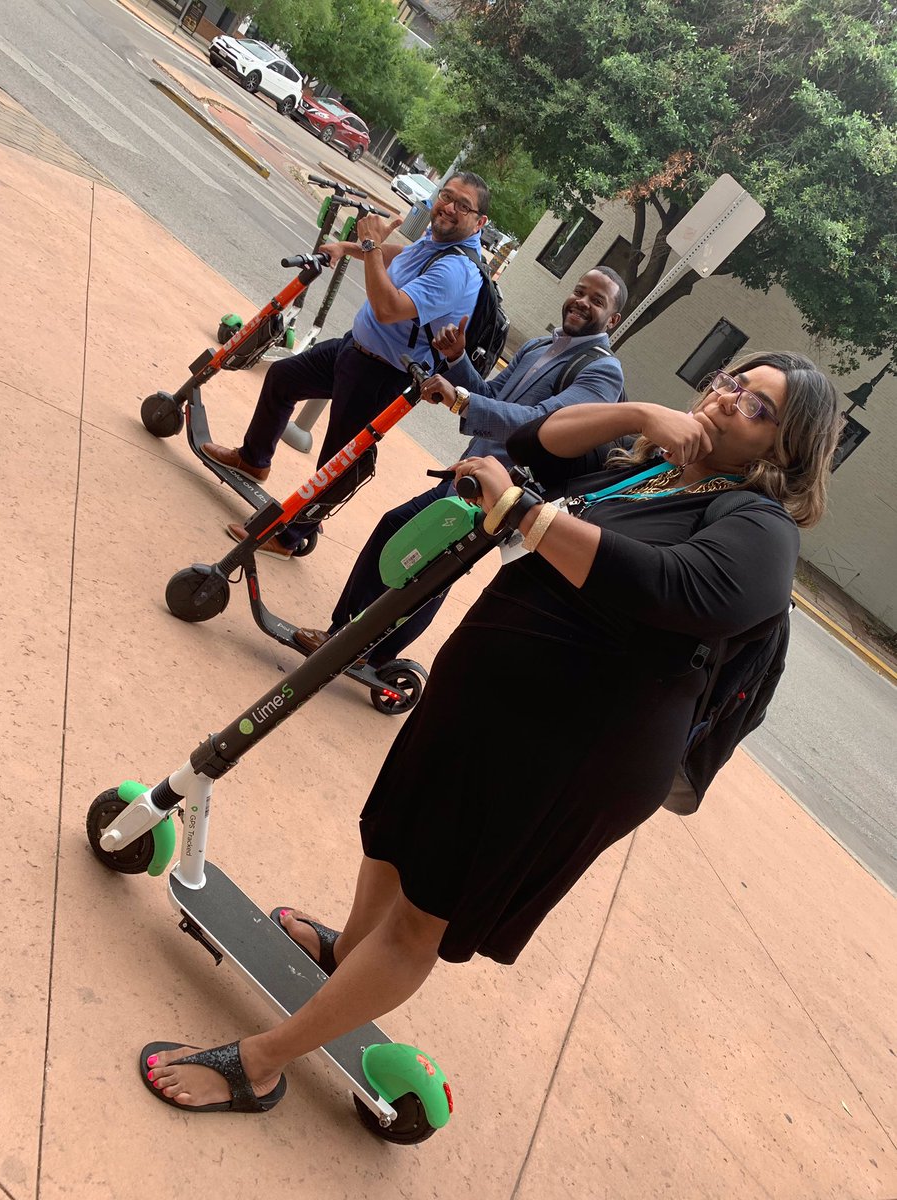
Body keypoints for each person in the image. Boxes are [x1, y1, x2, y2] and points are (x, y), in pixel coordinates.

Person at [141, 351, 841, 1113]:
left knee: (424, 913)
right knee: (393, 835)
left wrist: (524, 517)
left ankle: (261, 1061)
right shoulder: (658, 470)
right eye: (733, 381)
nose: (729, 399)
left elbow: (683, 591)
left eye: (758, 407)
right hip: (489, 701)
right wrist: (641, 417)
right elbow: (545, 444)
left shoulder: (759, 524)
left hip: (568, 751)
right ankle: (347, 950)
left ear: (784, 450)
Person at [286, 266, 627, 664]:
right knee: (410, 545)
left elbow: (541, 424)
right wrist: (457, 359)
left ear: (613, 319)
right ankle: (355, 640)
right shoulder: (538, 346)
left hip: (503, 493)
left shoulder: (602, 371)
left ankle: (355, 645)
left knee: (432, 569)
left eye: (597, 301)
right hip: (469, 474)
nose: (582, 302)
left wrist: (462, 400)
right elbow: (491, 393)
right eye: (580, 291)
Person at [204, 172, 491, 556]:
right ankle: (254, 460)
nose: (450, 207)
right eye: (447, 196)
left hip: (382, 374)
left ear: (479, 222)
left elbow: (388, 308)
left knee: (336, 461)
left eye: (463, 205)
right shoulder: (437, 242)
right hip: (354, 350)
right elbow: (398, 257)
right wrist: (348, 247)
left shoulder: (456, 270)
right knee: (283, 377)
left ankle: (291, 536)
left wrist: (370, 245)